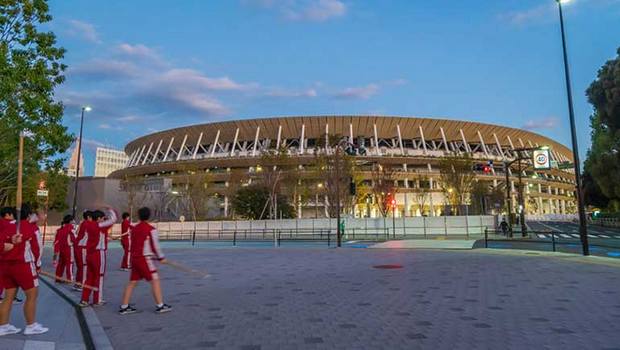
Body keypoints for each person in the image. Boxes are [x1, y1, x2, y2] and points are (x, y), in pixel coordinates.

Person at [0, 204, 48, 336]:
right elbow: (37, 249)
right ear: (28, 215)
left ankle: (3, 326)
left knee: (8, 297)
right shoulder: (31, 227)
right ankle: (31, 325)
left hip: (5, 265)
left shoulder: (7, 225)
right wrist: (37, 266)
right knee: (32, 295)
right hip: (24, 264)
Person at [119, 207, 172, 315]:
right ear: (149, 215)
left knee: (132, 282)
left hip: (135, 259)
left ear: (139, 216)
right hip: (144, 260)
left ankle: (124, 306)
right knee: (155, 280)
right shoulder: (151, 229)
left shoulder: (134, 229)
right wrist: (161, 257)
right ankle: (160, 305)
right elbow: (155, 246)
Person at [79, 208, 116, 307]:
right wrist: (110, 209)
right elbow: (113, 220)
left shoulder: (89, 225)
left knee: (89, 277)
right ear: (99, 218)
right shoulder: (99, 225)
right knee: (99, 277)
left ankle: (84, 299)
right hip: (98, 253)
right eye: (103, 218)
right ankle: (97, 300)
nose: (104, 220)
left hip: (90, 253)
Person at [73, 211, 92, 291]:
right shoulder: (87, 223)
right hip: (82, 247)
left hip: (78, 246)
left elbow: (77, 232)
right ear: (88, 217)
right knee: (84, 266)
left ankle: (78, 283)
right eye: (91, 217)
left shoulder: (82, 223)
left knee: (80, 267)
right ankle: (82, 284)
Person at [54, 215, 75, 284]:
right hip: (69, 248)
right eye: (72, 220)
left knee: (61, 264)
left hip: (62, 248)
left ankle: (58, 278)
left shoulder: (60, 229)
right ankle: (69, 279)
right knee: (70, 264)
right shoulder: (70, 227)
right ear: (70, 221)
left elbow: (57, 240)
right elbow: (74, 238)